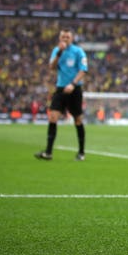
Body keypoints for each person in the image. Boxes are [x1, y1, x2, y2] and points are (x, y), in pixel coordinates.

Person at [35, 29, 88, 161]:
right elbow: (51, 67)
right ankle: (48, 153)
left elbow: (83, 70)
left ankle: (81, 152)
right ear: (60, 38)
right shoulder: (56, 50)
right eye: (63, 37)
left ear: (72, 38)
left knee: (78, 119)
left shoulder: (78, 51)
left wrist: (73, 84)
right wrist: (59, 52)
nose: (65, 39)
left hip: (74, 89)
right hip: (60, 88)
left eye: (67, 37)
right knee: (53, 117)